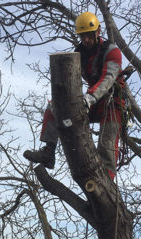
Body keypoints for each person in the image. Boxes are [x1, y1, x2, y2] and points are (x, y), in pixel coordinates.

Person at [23, 12, 125, 180]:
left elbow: (108, 79)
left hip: (113, 102)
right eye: (82, 36)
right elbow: (72, 81)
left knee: (107, 145)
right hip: (92, 100)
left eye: (89, 36)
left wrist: (89, 98)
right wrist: (69, 102)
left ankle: (107, 184)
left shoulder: (112, 51)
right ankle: (49, 151)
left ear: (97, 32)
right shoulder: (78, 54)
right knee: (55, 106)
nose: (86, 40)